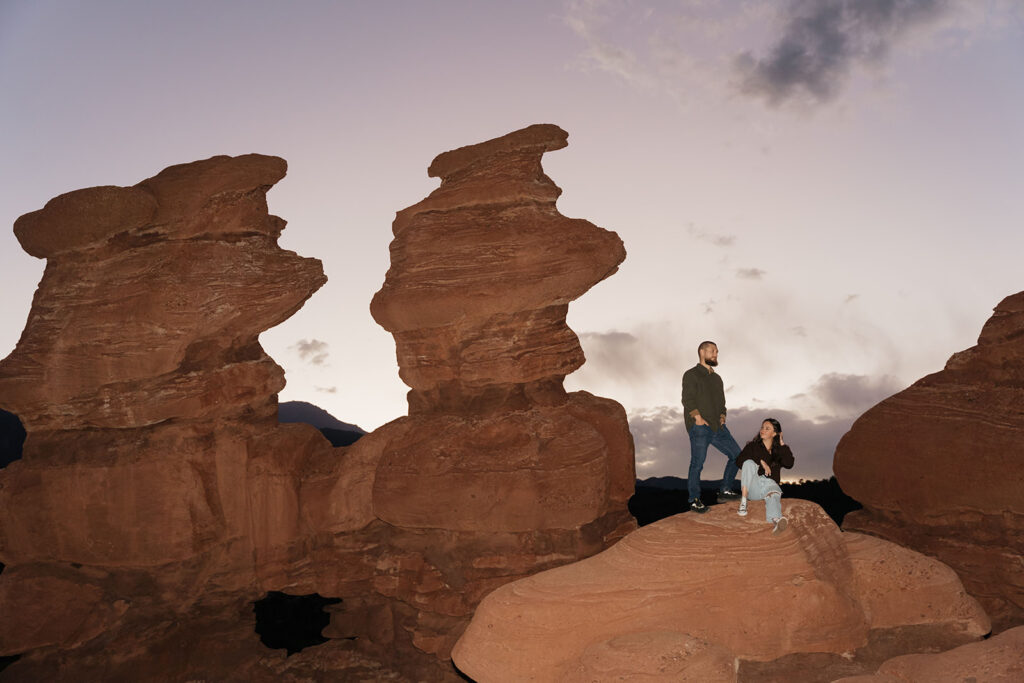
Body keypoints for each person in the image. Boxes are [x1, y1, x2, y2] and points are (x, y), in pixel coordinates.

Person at [681, 341, 741, 514]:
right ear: (702, 352)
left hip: (718, 427)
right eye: (712, 351)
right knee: (697, 463)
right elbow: (687, 399)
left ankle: (725, 491)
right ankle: (694, 500)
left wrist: (723, 416)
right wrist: (697, 417)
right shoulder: (691, 374)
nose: (715, 354)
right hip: (700, 426)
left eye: (717, 351)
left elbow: (722, 402)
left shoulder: (717, 378)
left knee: (737, 455)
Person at [735, 418, 794, 534]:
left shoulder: (778, 451)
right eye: (762, 427)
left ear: (775, 433)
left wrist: (782, 444)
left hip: (768, 488)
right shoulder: (752, 446)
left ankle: (776, 520)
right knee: (748, 463)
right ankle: (743, 502)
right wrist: (761, 461)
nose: (763, 430)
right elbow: (739, 461)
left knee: (772, 487)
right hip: (753, 488)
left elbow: (789, 463)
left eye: (767, 428)